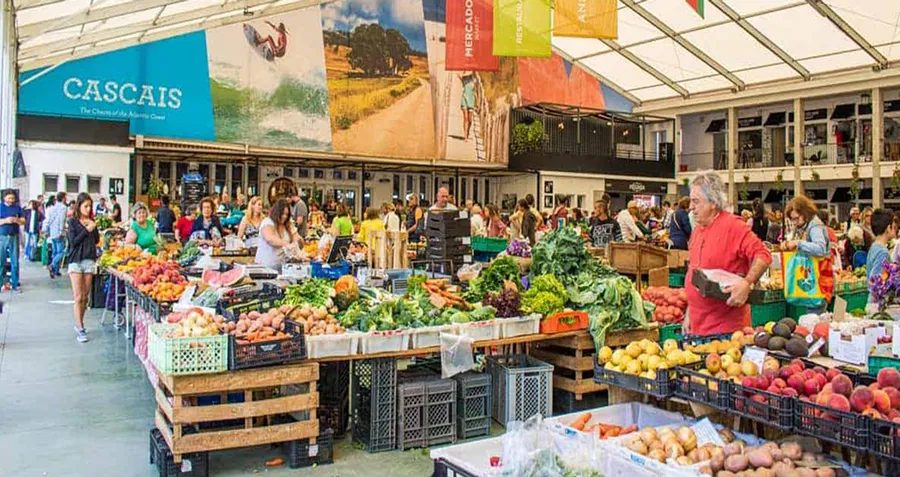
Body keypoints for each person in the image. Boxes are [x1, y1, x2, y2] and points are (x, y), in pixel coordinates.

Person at [685, 171, 772, 336]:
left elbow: (762, 254)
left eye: (696, 201)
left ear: (712, 202)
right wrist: (690, 310)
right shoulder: (697, 230)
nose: (691, 207)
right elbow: (695, 272)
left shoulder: (733, 226)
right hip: (697, 327)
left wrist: (746, 283)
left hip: (726, 330)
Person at [781, 196, 831, 312]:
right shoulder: (802, 226)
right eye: (792, 219)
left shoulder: (815, 226)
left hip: (819, 278)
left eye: (796, 218)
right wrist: (787, 245)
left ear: (805, 213)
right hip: (809, 276)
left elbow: (820, 248)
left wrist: (798, 243)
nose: (794, 222)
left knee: (815, 317)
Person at [67, 193, 100, 343]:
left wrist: (94, 228)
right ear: (79, 206)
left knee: (85, 297)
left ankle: (80, 321)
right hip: (76, 261)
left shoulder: (92, 221)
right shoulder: (73, 223)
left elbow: (97, 240)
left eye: (89, 206)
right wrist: (87, 230)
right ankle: (80, 327)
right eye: (85, 206)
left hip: (89, 260)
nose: (88, 209)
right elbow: (73, 242)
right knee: (78, 296)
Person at [256, 199, 300, 271]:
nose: (284, 216)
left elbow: (296, 238)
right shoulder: (267, 222)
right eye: (282, 214)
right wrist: (286, 244)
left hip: (282, 266)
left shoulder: (287, 225)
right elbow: (270, 238)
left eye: (286, 214)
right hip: (265, 267)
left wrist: (296, 246)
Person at [0, 191, 24, 292]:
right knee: (1, 261)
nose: (11, 200)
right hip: (2, 236)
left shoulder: (17, 208)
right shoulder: (1, 207)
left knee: (15, 262)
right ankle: (1, 283)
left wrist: (16, 220)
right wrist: (6, 220)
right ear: (4, 198)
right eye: (9, 198)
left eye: (13, 198)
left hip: (14, 236)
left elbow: (23, 221)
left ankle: (15, 284)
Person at [867, 209, 896, 293]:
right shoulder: (882, 252)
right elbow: (875, 282)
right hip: (877, 303)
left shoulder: (874, 246)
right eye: (893, 227)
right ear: (888, 228)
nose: (895, 229)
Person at [43, 191, 68, 278]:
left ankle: (55, 271)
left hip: (52, 232)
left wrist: (46, 230)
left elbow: (48, 220)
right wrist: (61, 231)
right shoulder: (63, 208)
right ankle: (52, 265)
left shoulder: (51, 207)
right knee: (61, 252)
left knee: (55, 251)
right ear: (64, 198)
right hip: (58, 232)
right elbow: (62, 220)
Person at [458, 71, 477, 142]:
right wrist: (464, 72)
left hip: (471, 101)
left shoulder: (474, 80)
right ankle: (465, 136)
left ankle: (468, 133)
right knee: (465, 118)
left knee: (470, 120)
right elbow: (458, 74)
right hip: (464, 99)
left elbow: (476, 91)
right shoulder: (463, 79)